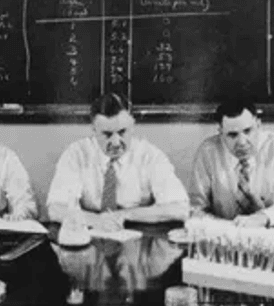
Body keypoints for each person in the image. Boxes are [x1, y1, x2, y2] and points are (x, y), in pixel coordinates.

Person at [45, 92, 188, 230]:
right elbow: (56, 209)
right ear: (93, 130)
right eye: (107, 134)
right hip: (90, 233)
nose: (115, 142)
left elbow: (179, 208)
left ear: (133, 126)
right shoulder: (76, 154)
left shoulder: (150, 156)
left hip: (137, 238)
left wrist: (124, 215)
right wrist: (98, 221)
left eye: (122, 132)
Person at [189, 98, 274, 226]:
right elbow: (195, 208)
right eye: (232, 135)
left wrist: (261, 218)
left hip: (270, 235)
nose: (242, 142)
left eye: (248, 131)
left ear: (259, 125)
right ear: (221, 132)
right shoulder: (208, 151)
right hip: (224, 235)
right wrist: (226, 227)